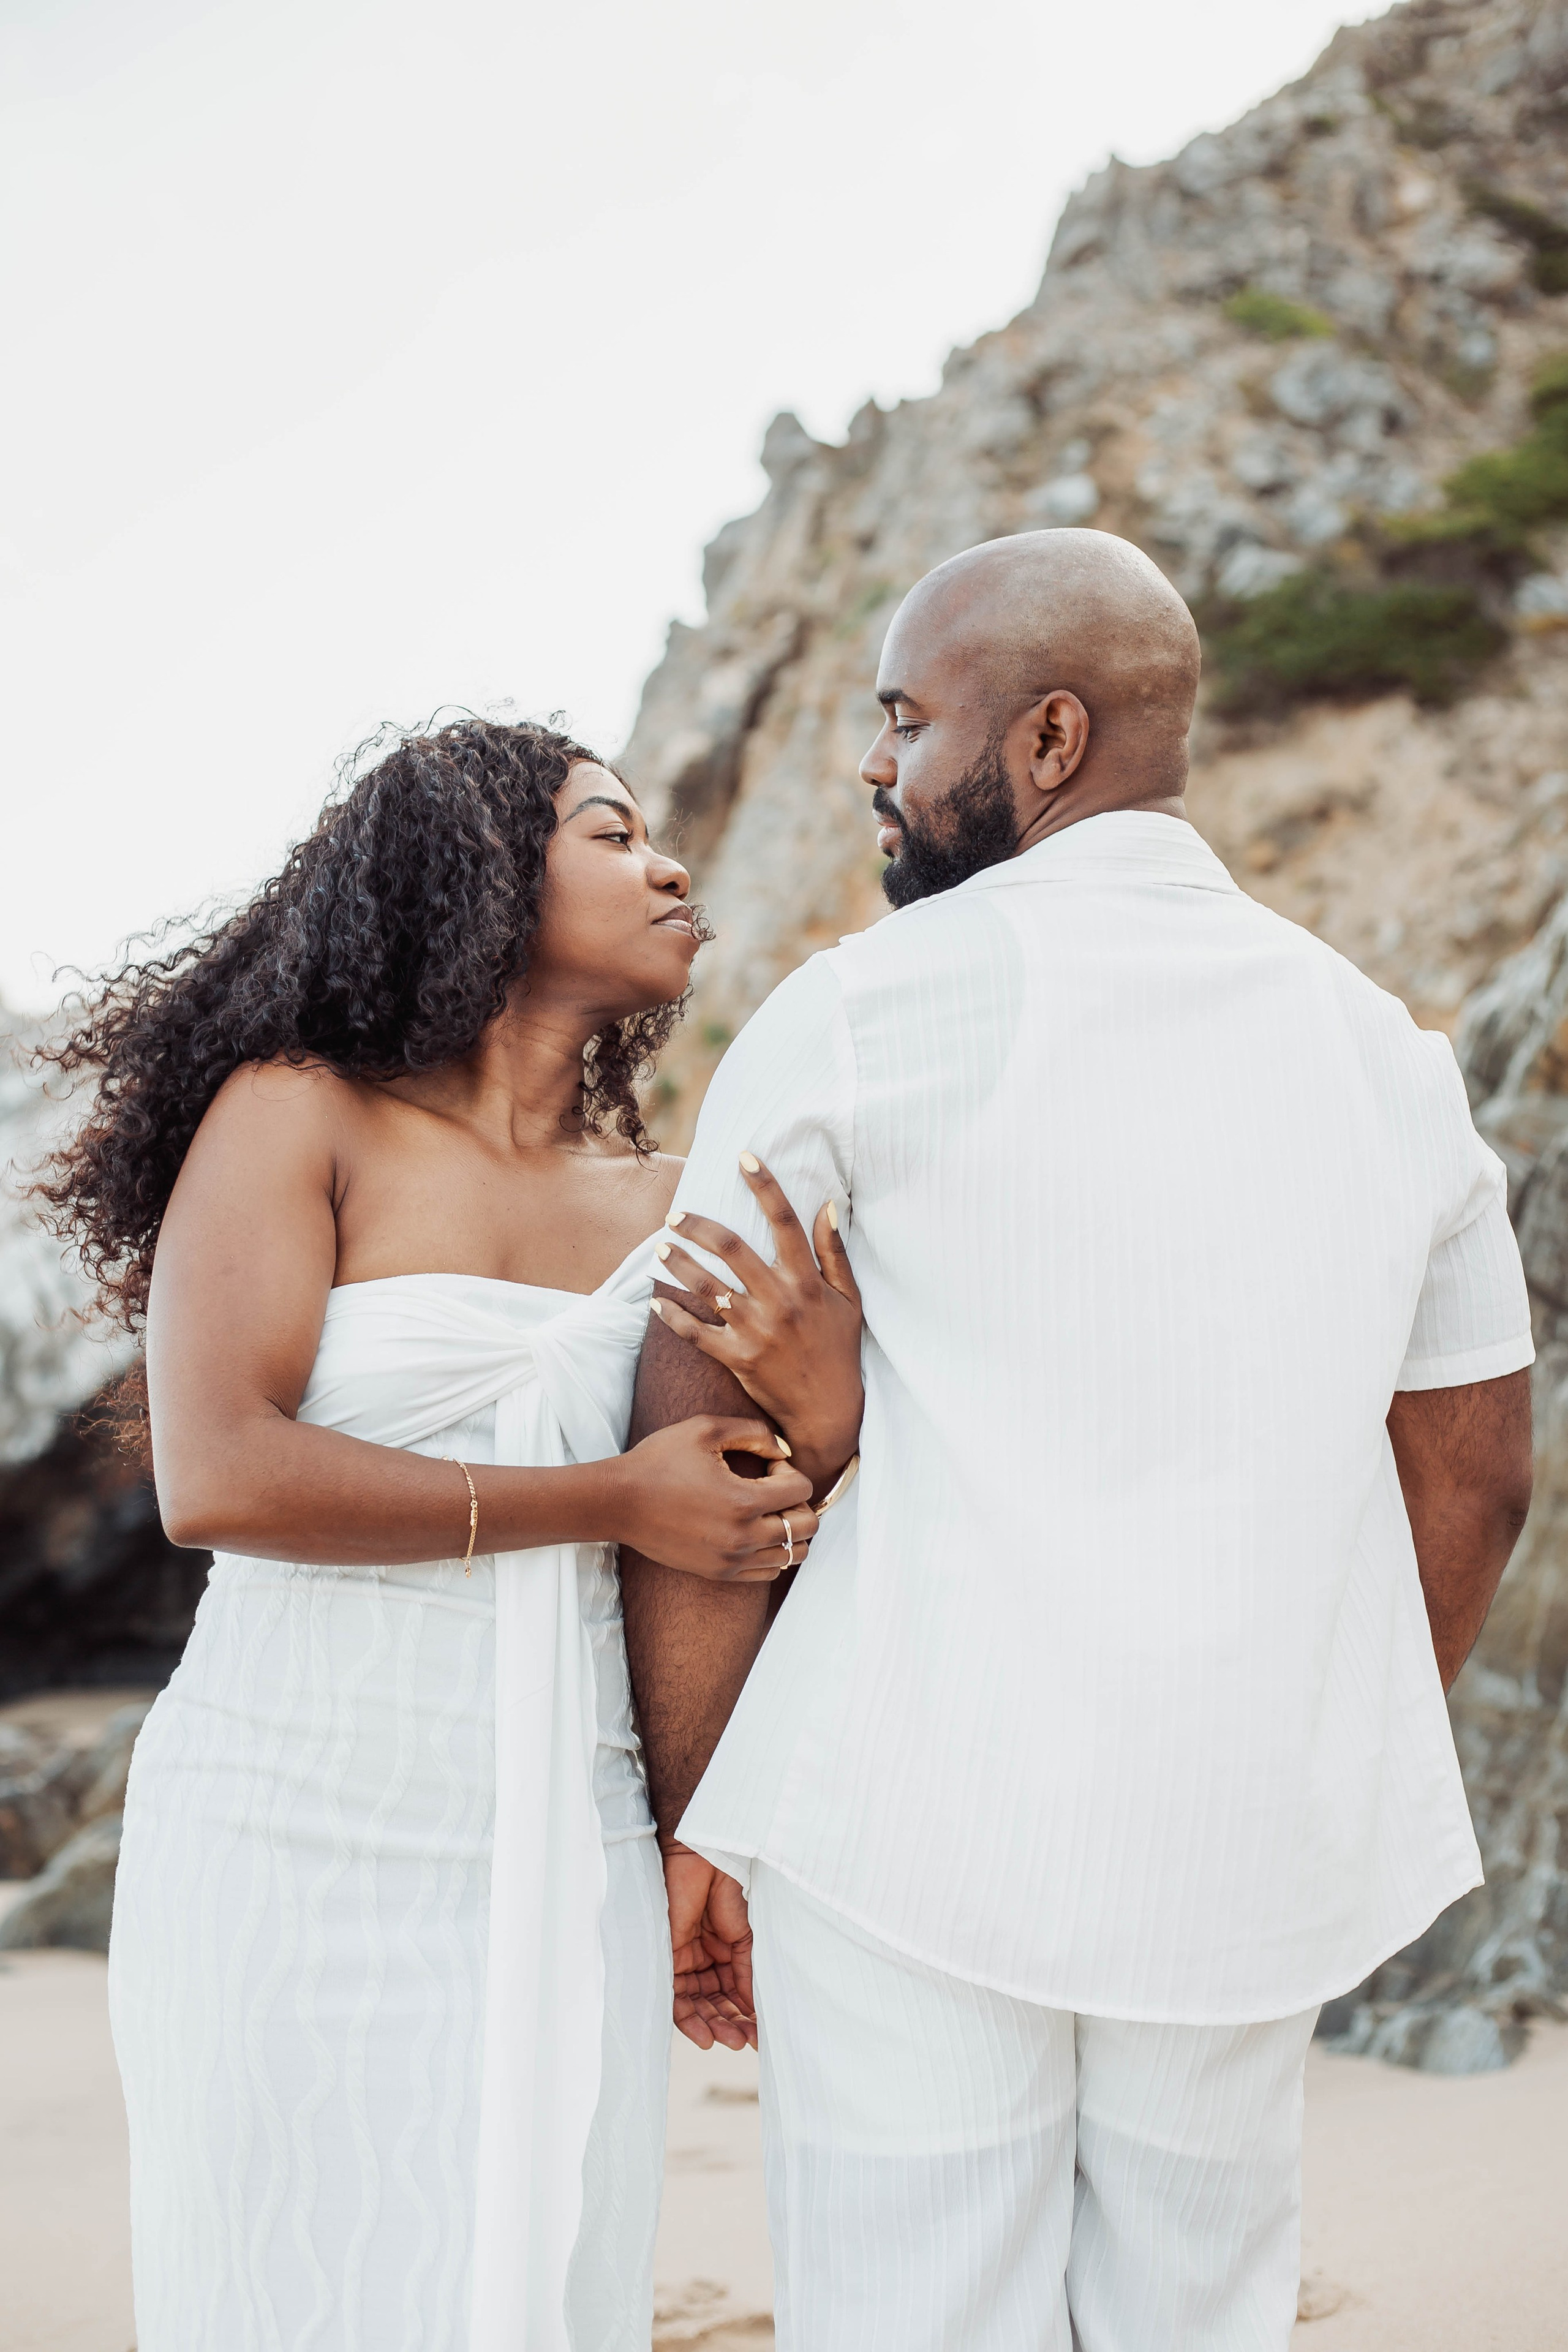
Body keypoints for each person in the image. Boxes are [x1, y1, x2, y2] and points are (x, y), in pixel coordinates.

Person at [620, 531, 1537, 2351]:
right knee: (1199, 2312)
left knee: (912, 2309)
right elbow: (1481, 1476)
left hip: (906, 1818)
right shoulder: (1389, 1060)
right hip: (1238, 1839)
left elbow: (699, 1440)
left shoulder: (862, 1017)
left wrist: (695, 1810)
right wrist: (1319, 1748)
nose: (875, 762)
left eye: (904, 716)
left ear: (1045, 742)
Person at [34, 717, 850, 2352]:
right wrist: (608, 1496)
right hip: (286, 1835)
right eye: (609, 833)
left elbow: (747, 1512)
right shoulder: (297, 1117)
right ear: (474, 878)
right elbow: (223, 1476)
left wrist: (821, 1415)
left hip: (578, 1840)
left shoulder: (682, 1200)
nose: (668, 864)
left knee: (549, 2285)